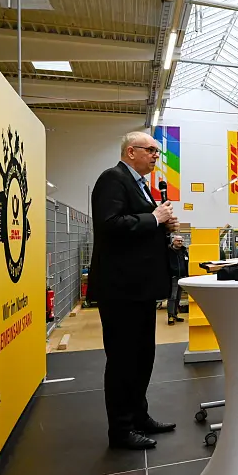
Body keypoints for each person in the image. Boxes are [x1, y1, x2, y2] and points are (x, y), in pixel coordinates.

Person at [87, 131, 178, 450]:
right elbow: (109, 224)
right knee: (124, 360)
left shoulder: (141, 185)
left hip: (139, 288)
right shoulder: (112, 179)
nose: (156, 156)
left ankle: (139, 416)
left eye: (157, 151)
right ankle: (120, 430)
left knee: (143, 357)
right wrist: (154, 217)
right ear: (130, 152)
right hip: (120, 289)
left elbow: (136, 227)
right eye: (151, 150)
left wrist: (161, 226)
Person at [166, 234, 188, 326]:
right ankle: (170, 316)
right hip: (173, 277)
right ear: (173, 241)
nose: (180, 242)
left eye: (181, 241)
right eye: (178, 240)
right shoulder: (168, 251)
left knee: (178, 296)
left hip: (182, 277)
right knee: (172, 296)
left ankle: (175, 314)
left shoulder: (184, 251)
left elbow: (186, 262)